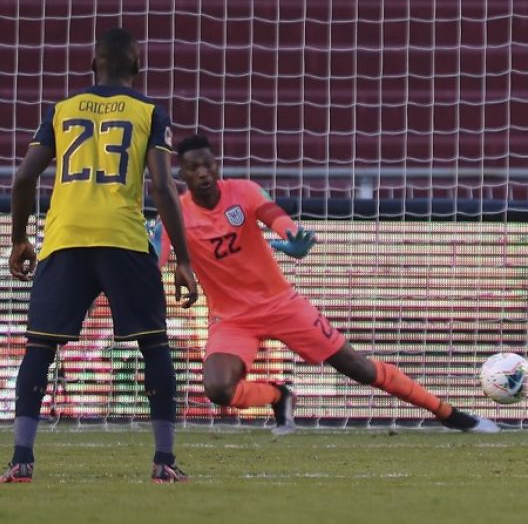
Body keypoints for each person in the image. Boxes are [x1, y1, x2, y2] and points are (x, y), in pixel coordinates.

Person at [154, 134, 498, 434]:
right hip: (231, 318)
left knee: (358, 368)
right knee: (217, 388)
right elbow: (156, 255)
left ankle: (448, 413)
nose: (202, 173)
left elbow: (276, 217)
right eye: (193, 168)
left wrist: (291, 236)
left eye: (208, 165)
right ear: (181, 175)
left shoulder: (242, 191)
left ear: (216, 166)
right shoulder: (176, 214)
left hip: (281, 304)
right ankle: (279, 395)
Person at [4, 28, 198, 484]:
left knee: (39, 346)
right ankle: (164, 462)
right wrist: (183, 260)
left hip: (65, 236)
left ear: (93, 65)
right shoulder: (150, 112)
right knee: (153, 345)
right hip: (122, 237)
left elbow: (22, 180)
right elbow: (163, 187)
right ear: (138, 67)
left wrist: (18, 239)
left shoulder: (61, 110)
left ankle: (21, 461)